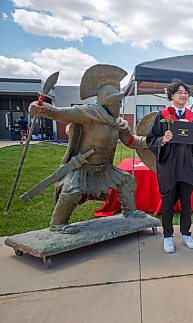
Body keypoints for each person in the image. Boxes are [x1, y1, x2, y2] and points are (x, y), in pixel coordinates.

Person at [28, 64, 147, 234]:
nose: (119, 104)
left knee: (127, 181)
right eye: (117, 100)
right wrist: (40, 108)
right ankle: (57, 224)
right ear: (108, 100)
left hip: (104, 168)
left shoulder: (119, 123)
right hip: (82, 167)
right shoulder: (89, 113)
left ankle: (130, 213)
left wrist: (151, 141)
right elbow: (60, 113)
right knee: (72, 192)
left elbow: (131, 141)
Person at [146, 80, 193, 254]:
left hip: (186, 165)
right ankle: (168, 237)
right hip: (169, 165)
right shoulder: (162, 115)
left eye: (186, 92)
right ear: (172, 95)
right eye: (180, 92)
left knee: (186, 202)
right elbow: (151, 140)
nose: (183, 95)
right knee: (168, 202)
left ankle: (186, 234)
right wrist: (162, 140)